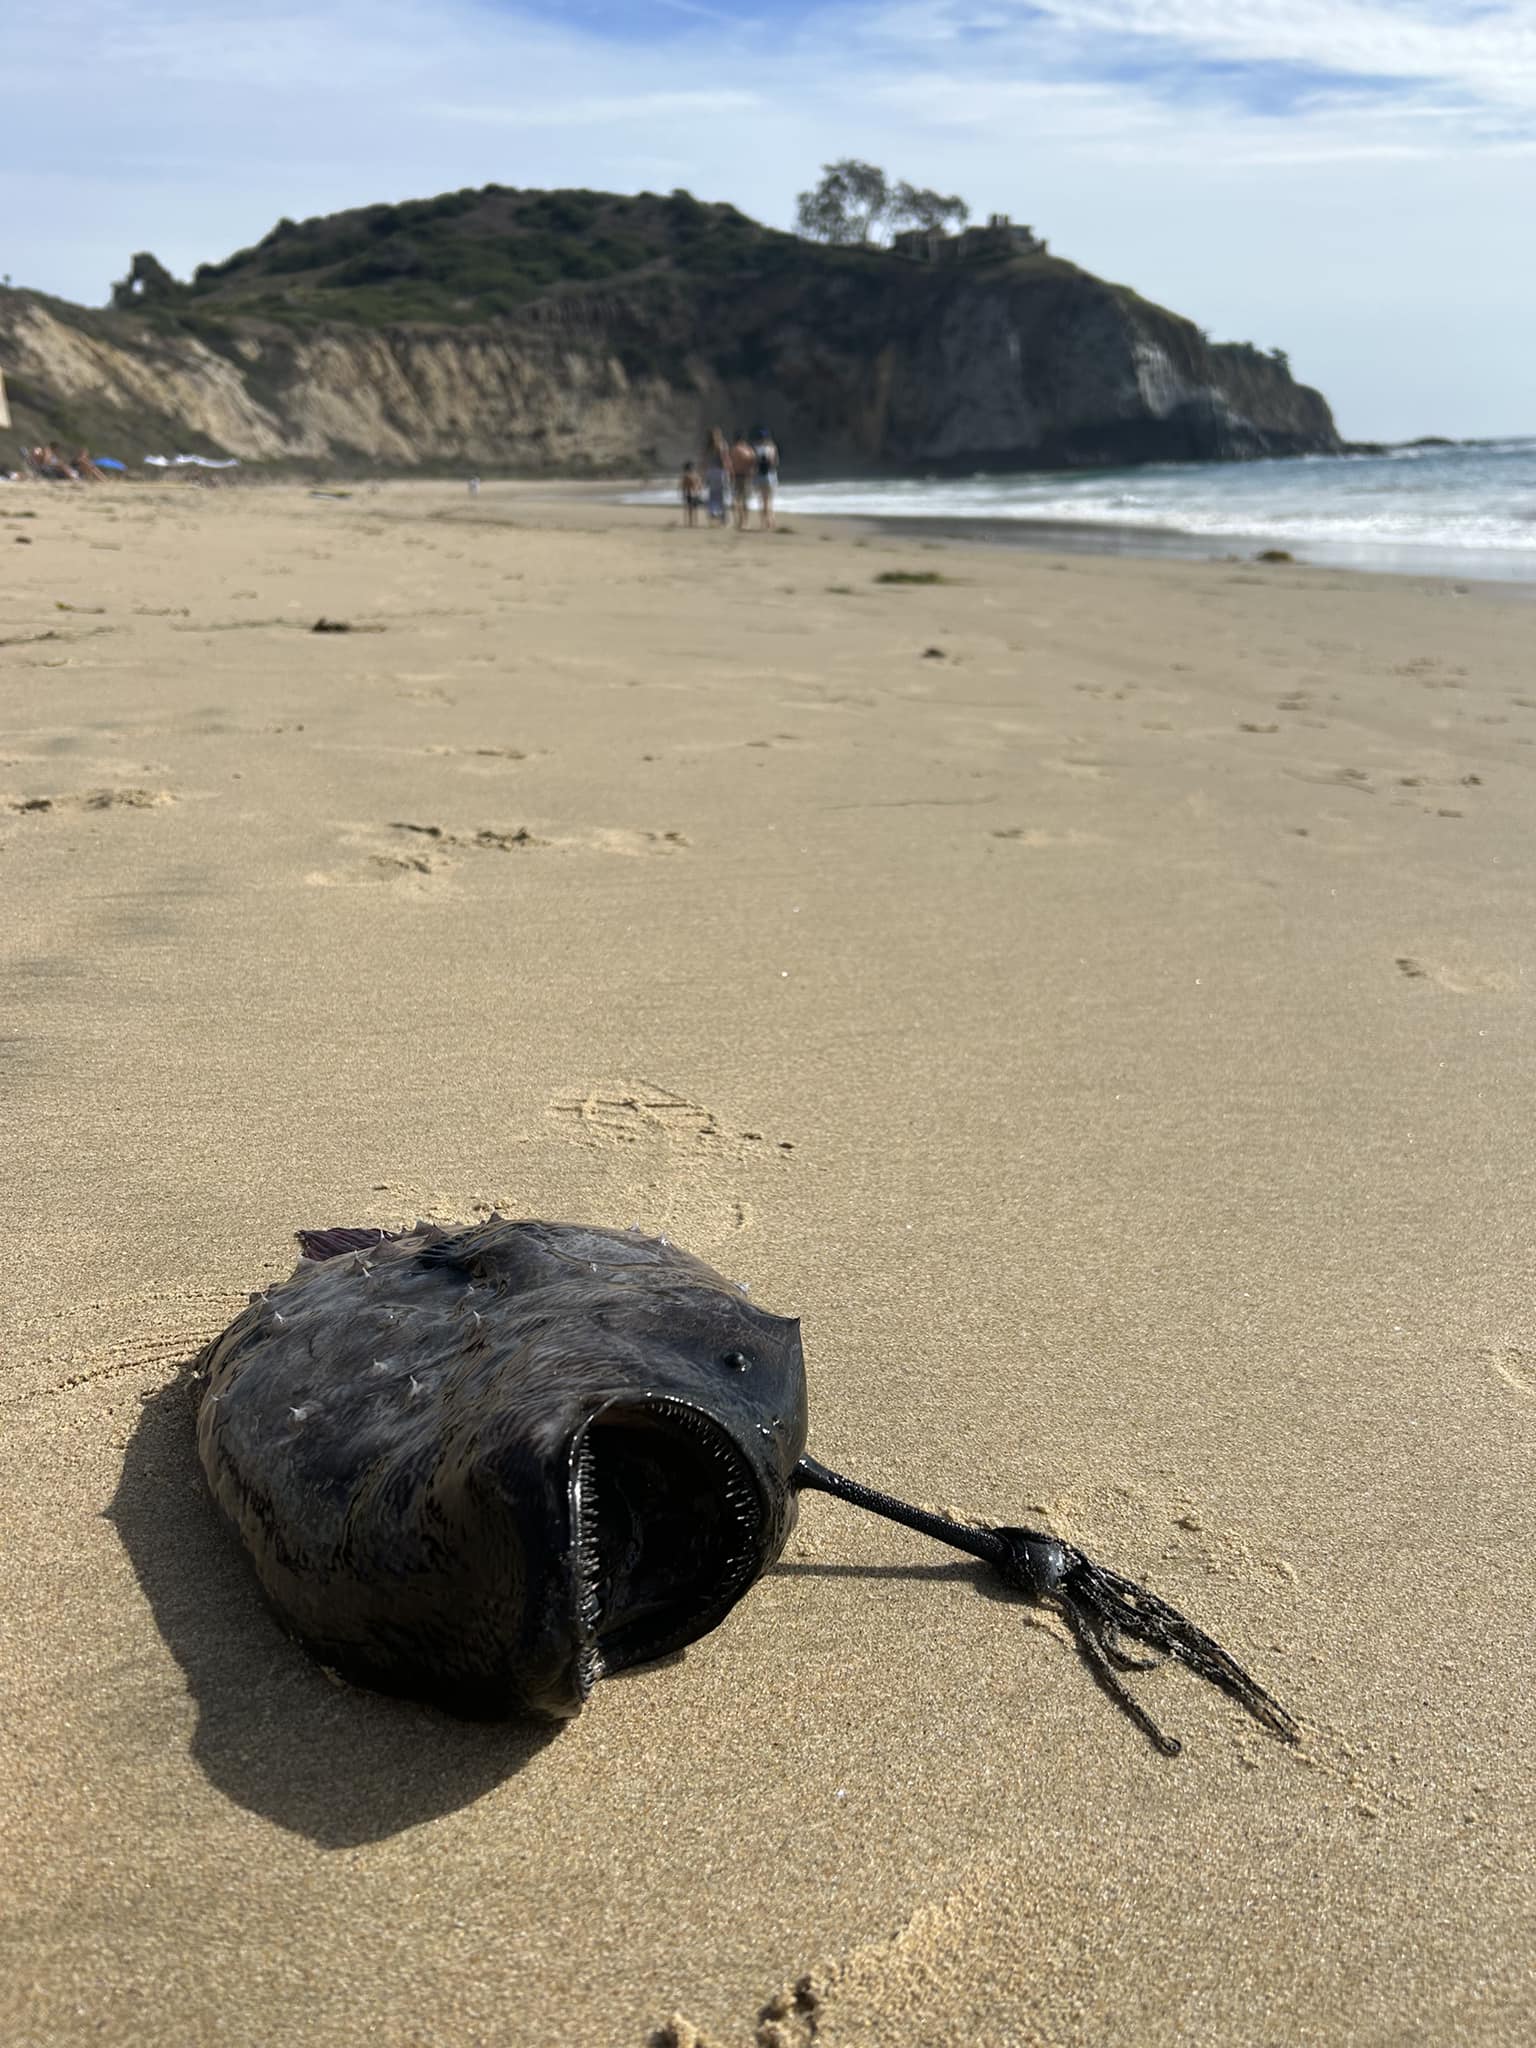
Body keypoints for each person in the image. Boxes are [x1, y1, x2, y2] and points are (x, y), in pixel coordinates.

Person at [751, 426, 779, 530]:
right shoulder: (772, 447)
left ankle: (763, 523)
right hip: (770, 475)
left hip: (758, 476)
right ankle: (771, 522)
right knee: (769, 500)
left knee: (761, 500)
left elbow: (753, 464)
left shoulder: (755, 448)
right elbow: (775, 463)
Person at [729, 431, 757, 530]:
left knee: (737, 499)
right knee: (744, 500)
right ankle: (744, 522)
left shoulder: (733, 450)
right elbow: (753, 459)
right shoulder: (747, 449)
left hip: (736, 476)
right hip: (745, 477)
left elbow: (730, 464)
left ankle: (738, 521)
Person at [703, 429, 731, 526]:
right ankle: (723, 518)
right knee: (722, 496)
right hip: (720, 473)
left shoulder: (708, 446)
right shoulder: (722, 445)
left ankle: (713, 515)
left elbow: (704, 461)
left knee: (712, 495)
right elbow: (725, 460)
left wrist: (704, 474)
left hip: (710, 472)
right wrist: (729, 471)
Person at [680, 458, 703, 527]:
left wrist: (683, 494)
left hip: (689, 493)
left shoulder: (686, 476)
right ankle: (695, 522)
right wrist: (699, 492)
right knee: (695, 509)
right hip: (695, 494)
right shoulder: (696, 475)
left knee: (689, 509)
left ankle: (690, 523)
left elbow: (683, 486)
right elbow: (700, 486)